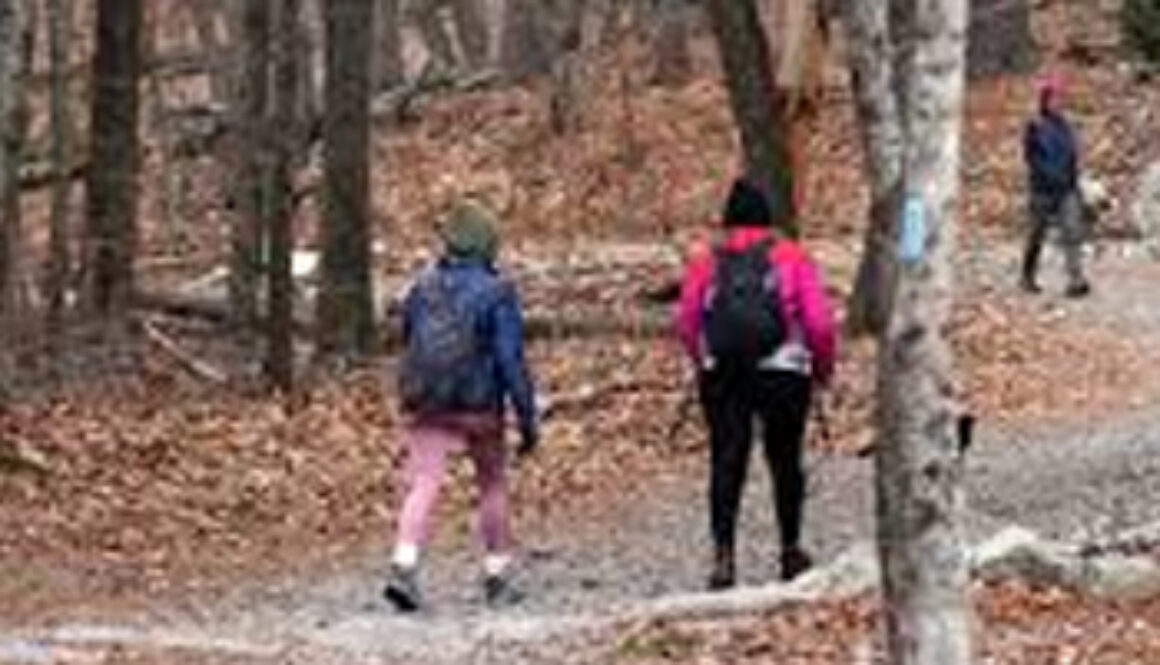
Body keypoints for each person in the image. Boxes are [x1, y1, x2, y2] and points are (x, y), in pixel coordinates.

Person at [675, 178, 837, 590]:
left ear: (727, 223)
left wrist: (702, 361)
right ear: (769, 220)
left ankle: (724, 556)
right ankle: (790, 549)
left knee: (727, 461)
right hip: (784, 371)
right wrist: (821, 369)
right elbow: (819, 324)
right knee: (785, 462)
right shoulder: (794, 258)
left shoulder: (705, 263)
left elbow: (687, 322)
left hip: (724, 372)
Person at [384, 200, 539, 612]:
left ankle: (404, 563)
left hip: (427, 400)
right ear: (489, 244)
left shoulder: (422, 286)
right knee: (491, 483)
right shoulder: (498, 291)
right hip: (478, 406)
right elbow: (510, 359)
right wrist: (527, 418)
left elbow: (408, 339)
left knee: (424, 481)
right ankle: (497, 573)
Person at [1022, 72, 1091, 297]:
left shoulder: (1066, 126)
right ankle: (1027, 274)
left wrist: (1074, 181)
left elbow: (1073, 156)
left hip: (1067, 189)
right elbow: (1032, 158)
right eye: (1054, 99)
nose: (1058, 103)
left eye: (1061, 99)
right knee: (1036, 234)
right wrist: (1048, 176)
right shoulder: (1034, 126)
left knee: (1072, 231)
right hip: (1042, 189)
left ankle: (1076, 279)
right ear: (1044, 100)